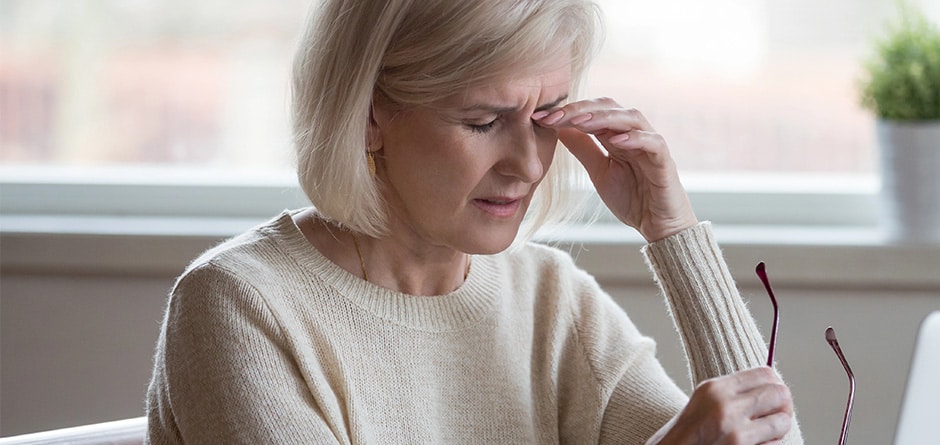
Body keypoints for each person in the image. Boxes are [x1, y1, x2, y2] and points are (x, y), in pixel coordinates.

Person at [144, 0, 803, 443]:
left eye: (547, 118)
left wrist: (673, 231)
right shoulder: (238, 306)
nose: (527, 164)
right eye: (484, 122)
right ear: (371, 113)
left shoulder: (550, 298)